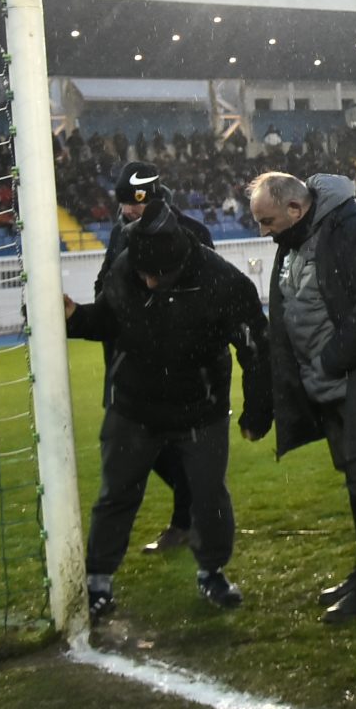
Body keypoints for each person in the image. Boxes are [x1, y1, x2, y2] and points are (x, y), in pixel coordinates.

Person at [65, 204, 267, 623]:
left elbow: (257, 352)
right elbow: (107, 319)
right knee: (116, 494)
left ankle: (212, 571)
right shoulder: (129, 265)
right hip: (133, 407)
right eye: (143, 274)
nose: (148, 281)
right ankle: (98, 580)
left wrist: (257, 411)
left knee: (209, 496)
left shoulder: (225, 283)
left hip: (200, 410)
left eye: (156, 276)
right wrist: (74, 319)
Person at [246, 171, 356, 623]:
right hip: (326, 380)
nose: (263, 231)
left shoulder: (353, 226)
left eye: (268, 221)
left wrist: (335, 358)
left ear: (295, 208)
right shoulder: (297, 241)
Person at [97, 161, 214, 556]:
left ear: (155, 198)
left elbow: (205, 301)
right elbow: (105, 286)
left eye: (135, 203)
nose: (128, 210)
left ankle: (189, 522)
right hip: (128, 365)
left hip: (177, 369)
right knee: (145, 452)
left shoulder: (193, 234)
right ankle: (191, 515)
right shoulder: (119, 234)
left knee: (178, 448)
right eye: (124, 203)